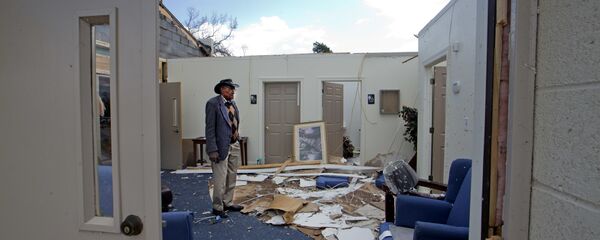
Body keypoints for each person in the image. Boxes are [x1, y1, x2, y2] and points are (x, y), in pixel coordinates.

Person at [205, 79, 244, 218]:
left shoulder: (233, 103)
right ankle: (217, 207)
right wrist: (212, 150)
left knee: (231, 176)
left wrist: (237, 137)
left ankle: (227, 202)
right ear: (222, 89)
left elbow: (234, 122)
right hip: (220, 147)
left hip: (234, 145)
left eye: (234, 89)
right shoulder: (213, 104)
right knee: (220, 179)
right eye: (230, 89)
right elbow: (210, 129)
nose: (233, 91)